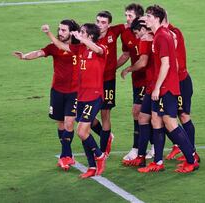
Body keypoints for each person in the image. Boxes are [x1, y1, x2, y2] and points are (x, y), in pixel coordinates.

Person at [42, 23, 107, 178]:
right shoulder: (80, 49)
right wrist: (49, 33)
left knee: (81, 131)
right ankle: (92, 167)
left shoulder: (101, 49)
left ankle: (99, 155)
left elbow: (97, 49)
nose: (79, 34)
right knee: (83, 133)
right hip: (81, 96)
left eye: (83, 32)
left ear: (90, 36)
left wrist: (83, 40)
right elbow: (59, 45)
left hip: (95, 96)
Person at [138, 5, 198, 173]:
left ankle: (191, 160)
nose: (146, 19)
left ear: (157, 19)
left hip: (166, 87)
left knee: (170, 123)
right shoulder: (160, 35)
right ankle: (158, 162)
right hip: (162, 86)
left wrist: (157, 88)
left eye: (149, 16)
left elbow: (166, 64)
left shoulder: (162, 37)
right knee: (155, 120)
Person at [13, 20, 80, 171]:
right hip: (57, 91)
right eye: (59, 30)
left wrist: (47, 33)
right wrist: (24, 56)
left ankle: (65, 155)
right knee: (61, 123)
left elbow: (64, 47)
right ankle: (67, 154)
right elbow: (39, 52)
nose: (60, 32)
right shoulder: (53, 48)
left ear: (71, 32)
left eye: (64, 30)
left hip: (74, 92)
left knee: (69, 122)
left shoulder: (77, 47)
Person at [117, 3, 155, 161]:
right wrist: (110, 68)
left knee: (143, 113)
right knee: (141, 113)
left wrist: (128, 69)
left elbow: (144, 61)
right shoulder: (126, 34)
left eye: (130, 15)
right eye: (126, 15)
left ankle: (144, 147)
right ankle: (145, 147)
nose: (127, 18)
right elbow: (126, 54)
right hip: (137, 79)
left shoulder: (150, 33)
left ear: (139, 17)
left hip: (149, 78)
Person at [161, 16, 200, 163]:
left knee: (183, 116)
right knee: (161, 117)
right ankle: (180, 146)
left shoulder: (172, 34)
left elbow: (175, 64)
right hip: (171, 83)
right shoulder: (162, 33)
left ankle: (192, 152)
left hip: (180, 82)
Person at [92, 10, 126, 156]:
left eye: (103, 22)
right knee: (83, 115)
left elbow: (131, 23)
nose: (100, 25)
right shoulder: (90, 34)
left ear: (109, 24)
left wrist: (113, 68)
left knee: (105, 113)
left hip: (108, 81)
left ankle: (103, 150)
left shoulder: (115, 31)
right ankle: (106, 136)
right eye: (98, 21)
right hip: (92, 81)